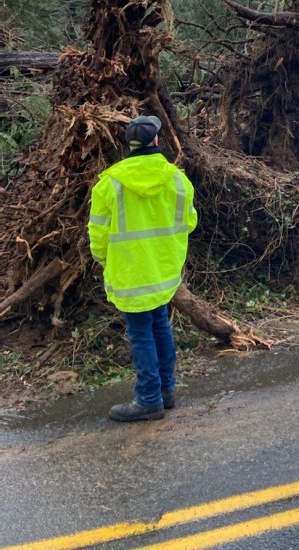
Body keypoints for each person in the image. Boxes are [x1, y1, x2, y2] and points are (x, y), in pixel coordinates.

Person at [88, 114, 198, 421]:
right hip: (164, 271)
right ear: (156, 141)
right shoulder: (177, 178)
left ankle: (149, 399)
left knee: (141, 334)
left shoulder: (110, 183)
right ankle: (166, 392)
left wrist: (103, 260)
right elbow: (189, 222)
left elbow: (97, 234)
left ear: (130, 145)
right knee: (160, 325)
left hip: (130, 273)